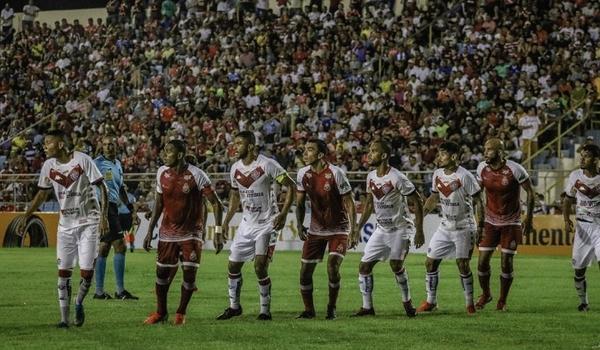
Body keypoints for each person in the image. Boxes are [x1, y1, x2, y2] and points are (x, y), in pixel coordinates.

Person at [17, 129, 108, 328]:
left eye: (48, 142)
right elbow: (42, 195)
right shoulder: (48, 166)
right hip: (65, 225)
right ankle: (64, 320)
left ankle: (78, 302)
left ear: (60, 144)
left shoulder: (82, 160)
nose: (44, 145)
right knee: (63, 273)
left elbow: (102, 186)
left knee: (86, 273)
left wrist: (104, 216)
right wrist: (26, 216)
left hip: (89, 222)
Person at [216, 131, 296, 321]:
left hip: (267, 223)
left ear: (251, 146)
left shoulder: (267, 164)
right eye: (234, 143)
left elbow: (291, 185)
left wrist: (283, 214)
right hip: (246, 224)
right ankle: (234, 307)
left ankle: (264, 310)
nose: (235, 147)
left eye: (239, 143)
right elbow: (235, 196)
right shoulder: (235, 168)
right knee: (233, 265)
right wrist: (226, 222)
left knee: (260, 266)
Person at [143, 139, 224, 325]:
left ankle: (180, 313)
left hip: (191, 233)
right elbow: (159, 203)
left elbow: (217, 204)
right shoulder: (161, 173)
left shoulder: (197, 174)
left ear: (179, 155)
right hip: (167, 233)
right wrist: (149, 231)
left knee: (189, 273)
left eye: (169, 151)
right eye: (164, 150)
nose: (165, 154)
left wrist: (218, 233)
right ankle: (160, 313)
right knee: (161, 274)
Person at [353, 140, 424, 318]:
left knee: (395, 264)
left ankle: (407, 302)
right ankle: (367, 307)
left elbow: (418, 201)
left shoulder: (397, 177)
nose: (369, 154)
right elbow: (369, 204)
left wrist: (420, 229)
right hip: (382, 230)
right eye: (369, 150)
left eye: (374, 151)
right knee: (364, 266)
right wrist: (357, 227)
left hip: (400, 229)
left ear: (384, 156)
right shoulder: (370, 177)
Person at [296, 138, 359, 320]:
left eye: (309, 150)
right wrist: (300, 225)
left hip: (339, 229)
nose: (305, 153)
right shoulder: (302, 174)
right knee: (305, 272)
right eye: (304, 149)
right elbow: (299, 203)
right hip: (315, 230)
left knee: (332, 267)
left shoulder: (336, 173)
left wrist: (354, 230)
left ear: (321, 155)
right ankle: (309, 311)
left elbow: (349, 203)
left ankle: (331, 308)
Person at [417, 141, 483, 314]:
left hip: (464, 227)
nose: (439, 157)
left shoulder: (465, 176)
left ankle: (469, 304)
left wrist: (481, 226)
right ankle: (431, 302)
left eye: (443, 154)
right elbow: (433, 198)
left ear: (454, 156)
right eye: (439, 154)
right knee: (430, 262)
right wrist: (419, 217)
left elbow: (478, 201)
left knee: (462, 264)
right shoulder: (437, 174)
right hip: (445, 227)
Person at [475, 138, 535, 311]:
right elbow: (478, 196)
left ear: (500, 152)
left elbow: (531, 194)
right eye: (485, 149)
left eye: (489, 150)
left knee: (505, 263)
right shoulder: (481, 168)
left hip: (512, 222)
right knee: (482, 262)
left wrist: (529, 219)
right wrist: (478, 224)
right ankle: (486, 294)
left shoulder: (515, 169)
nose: (485, 152)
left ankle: (502, 300)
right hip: (490, 221)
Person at [93, 135, 138, 300]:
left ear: (116, 146)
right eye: (105, 144)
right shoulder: (96, 163)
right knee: (120, 245)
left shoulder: (118, 164)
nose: (108, 147)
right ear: (102, 147)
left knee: (104, 247)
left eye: (110, 144)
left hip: (113, 207)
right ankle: (118, 291)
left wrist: (131, 207)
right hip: (102, 206)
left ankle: (100, 292)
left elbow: (120, 189)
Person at [563, 144, 600, 312]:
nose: (582, 159)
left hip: (599, 226)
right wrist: (566, 220)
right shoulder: (574, 176)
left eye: (586, 156)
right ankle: (584, 302)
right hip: (582, 228)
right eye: (581, 156)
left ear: (596, 160)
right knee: (578, 270)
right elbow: (568, 199)